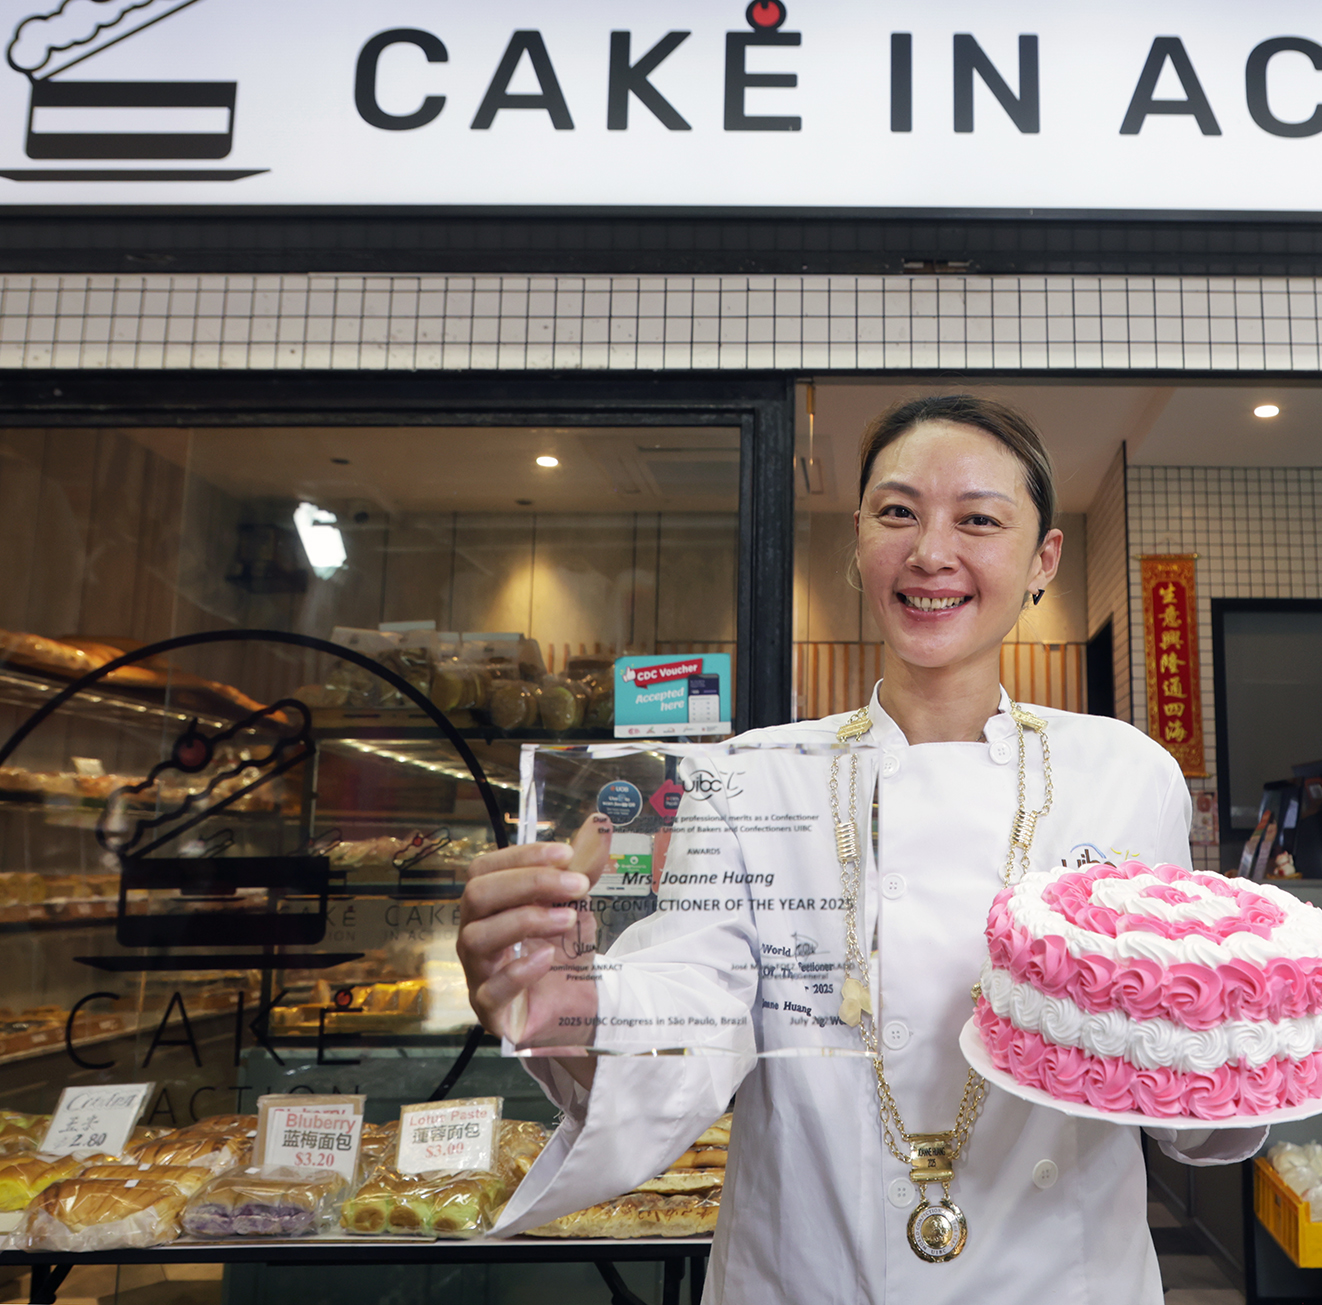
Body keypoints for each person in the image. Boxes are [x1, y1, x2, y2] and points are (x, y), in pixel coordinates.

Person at [459, 395, 1264, 1302]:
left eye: (979, 519)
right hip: (808, 1268)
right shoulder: (750, 779)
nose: (930, 552)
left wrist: (1250, 1028)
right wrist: (570, 1000)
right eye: (897, 512)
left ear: (1044, 560)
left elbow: (1187, 1098)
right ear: (857, 539)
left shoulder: (1126, 775)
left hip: (1064, 1277)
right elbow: (691, 1012)